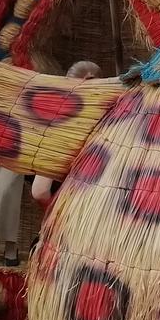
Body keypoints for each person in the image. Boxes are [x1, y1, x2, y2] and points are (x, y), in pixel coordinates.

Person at [30, 61, 102, 210]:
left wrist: (54, 212)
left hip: (69, 213)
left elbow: (40, 190)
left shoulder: (60, 129)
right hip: (102, 213)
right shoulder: (114, 124)